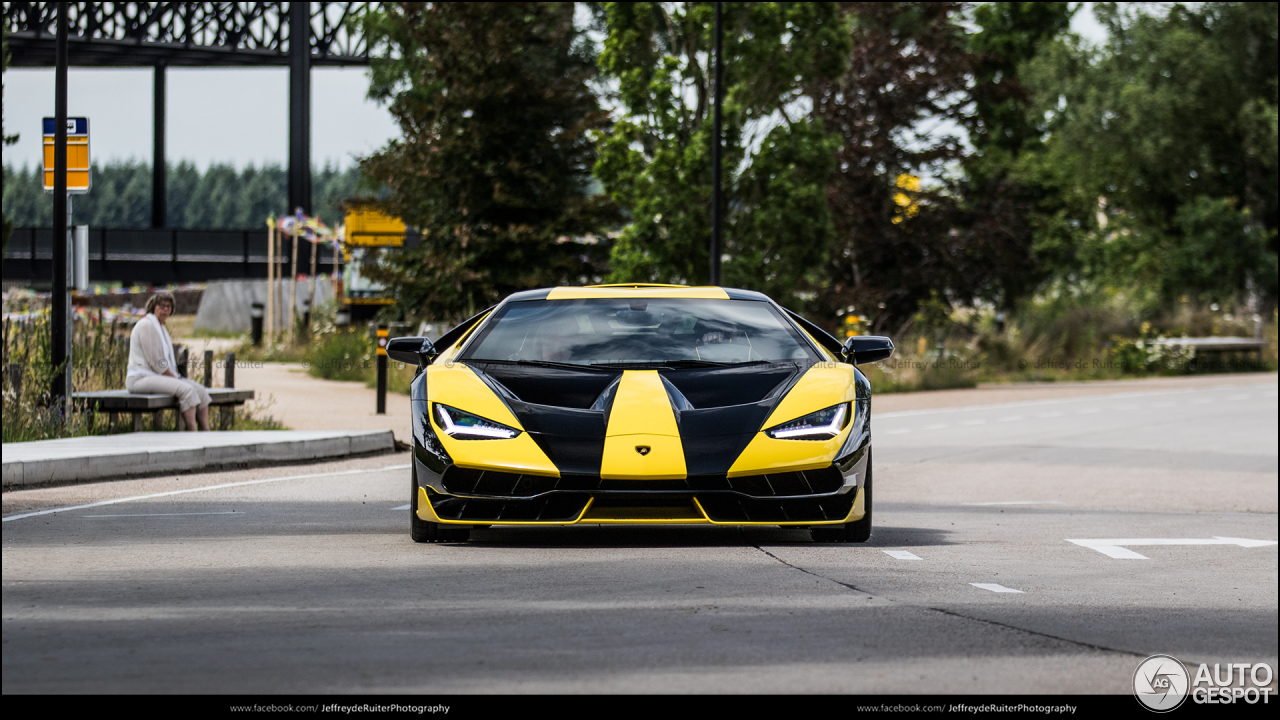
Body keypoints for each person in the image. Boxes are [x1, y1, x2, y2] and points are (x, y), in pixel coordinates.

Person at [125, 291, 212, 431]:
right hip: (140, 378)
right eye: (162, 306)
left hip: (155, 377)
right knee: (187, 390)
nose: (165, 309)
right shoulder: (146, 325)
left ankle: (206, 431)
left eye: (168, 307)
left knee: (201, 391)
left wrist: (175, 376)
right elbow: (156, 361)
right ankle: (193, 431)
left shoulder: (160, 327)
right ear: (154, 307)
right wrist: (174, 377)